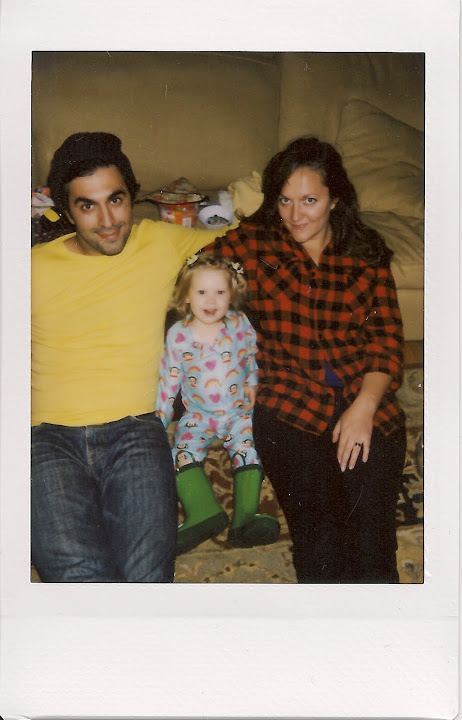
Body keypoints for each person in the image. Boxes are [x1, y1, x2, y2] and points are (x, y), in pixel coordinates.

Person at [31, 132, 233, 582]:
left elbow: (252, 238)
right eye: (88, 206)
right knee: (79, 577)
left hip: (136, 431)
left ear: (132, 196)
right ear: (67, 212)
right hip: (46, 437)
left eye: (116, 200)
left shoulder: (160, 241)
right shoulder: (31, 267)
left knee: (147, 576)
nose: (108, 221)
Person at [207, 136, 407, 583]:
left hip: (365, 399)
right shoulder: (252, 244)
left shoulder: (366, 251)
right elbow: (195, 281)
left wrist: (364, 408)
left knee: (372, 544)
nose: (295, 215)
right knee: (320, 543)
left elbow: (386, 337)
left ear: (335, 200)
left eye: (310, 201)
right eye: (285, 200)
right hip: (289, 405)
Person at [156, 253, 280, 555]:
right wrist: (158, 422)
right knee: (180, 452)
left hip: (238, 413)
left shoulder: (239, 323)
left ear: (232, 294)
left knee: (250, 448)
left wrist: (252, 382)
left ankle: (245, 520)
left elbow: (250, 354)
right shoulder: (178, 336)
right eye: (201, 292)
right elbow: (169, 381)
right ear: (186, 295)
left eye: (220, 292)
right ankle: (203, 511)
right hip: (198, 415)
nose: (211, 301)